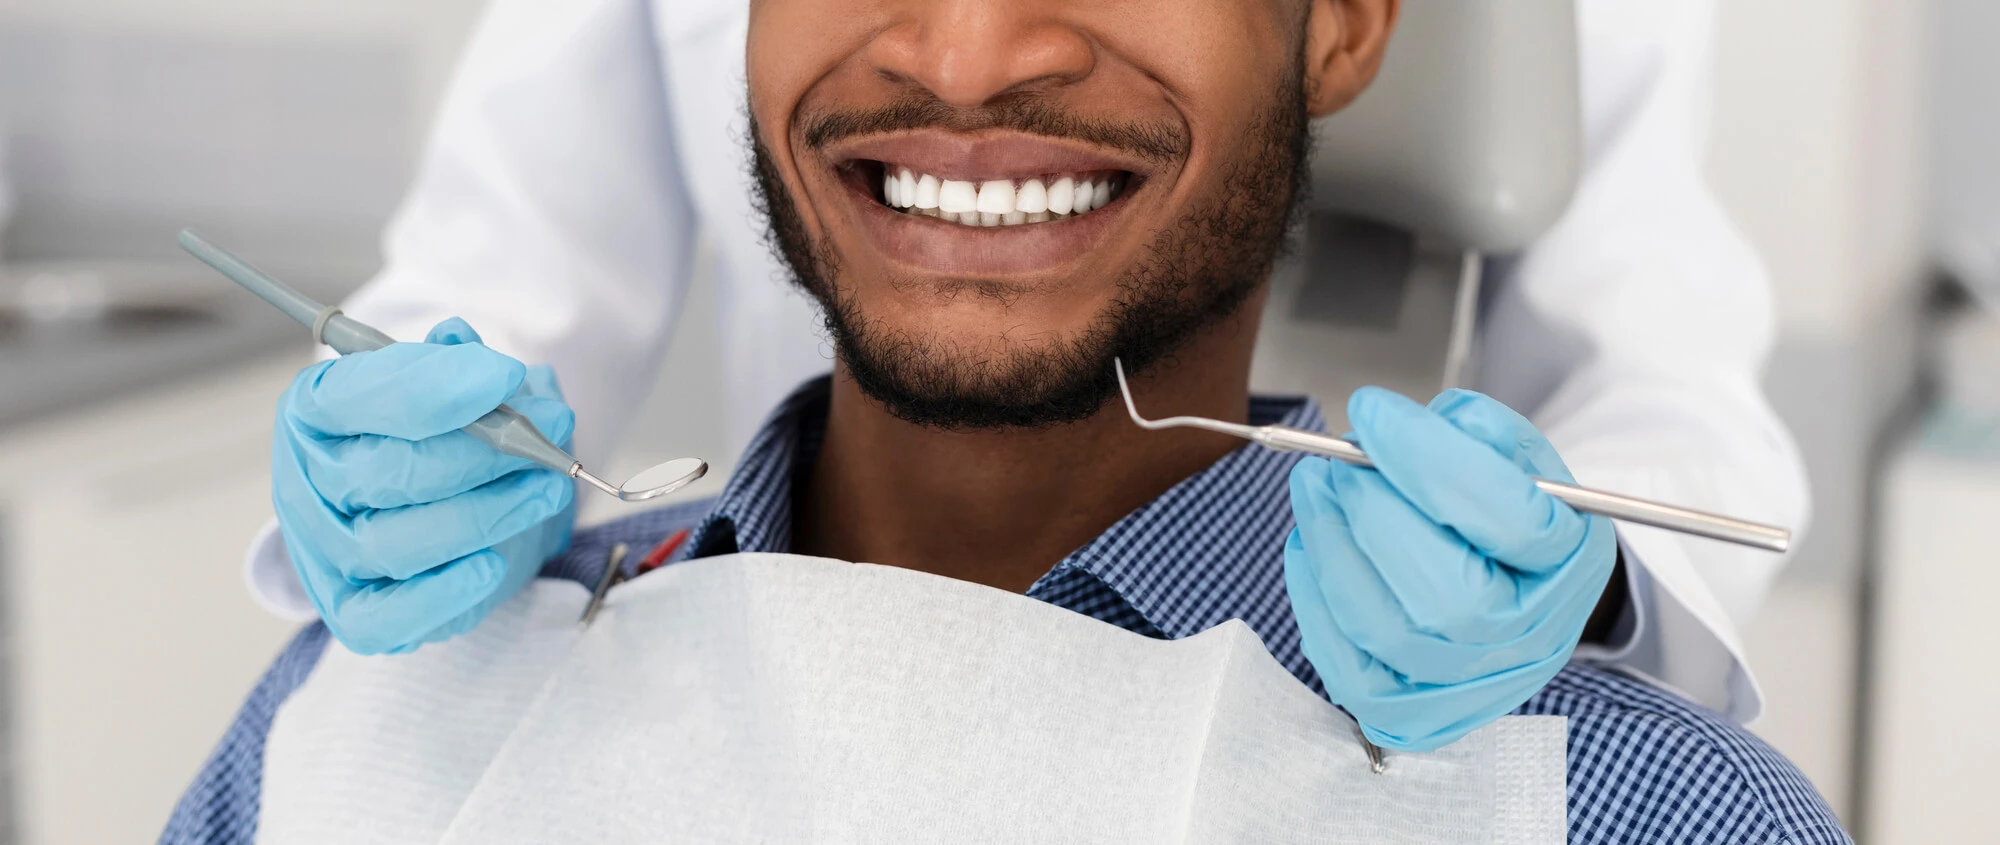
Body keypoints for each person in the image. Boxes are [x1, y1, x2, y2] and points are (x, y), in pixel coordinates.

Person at [166, 0, 1846, 840]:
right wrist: (418, 464)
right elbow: (503, 261)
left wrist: (1580, 584)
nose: (966, 59)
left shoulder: (1621, 809)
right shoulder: (359, 751)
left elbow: (1653, 326)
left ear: (1343, 24)